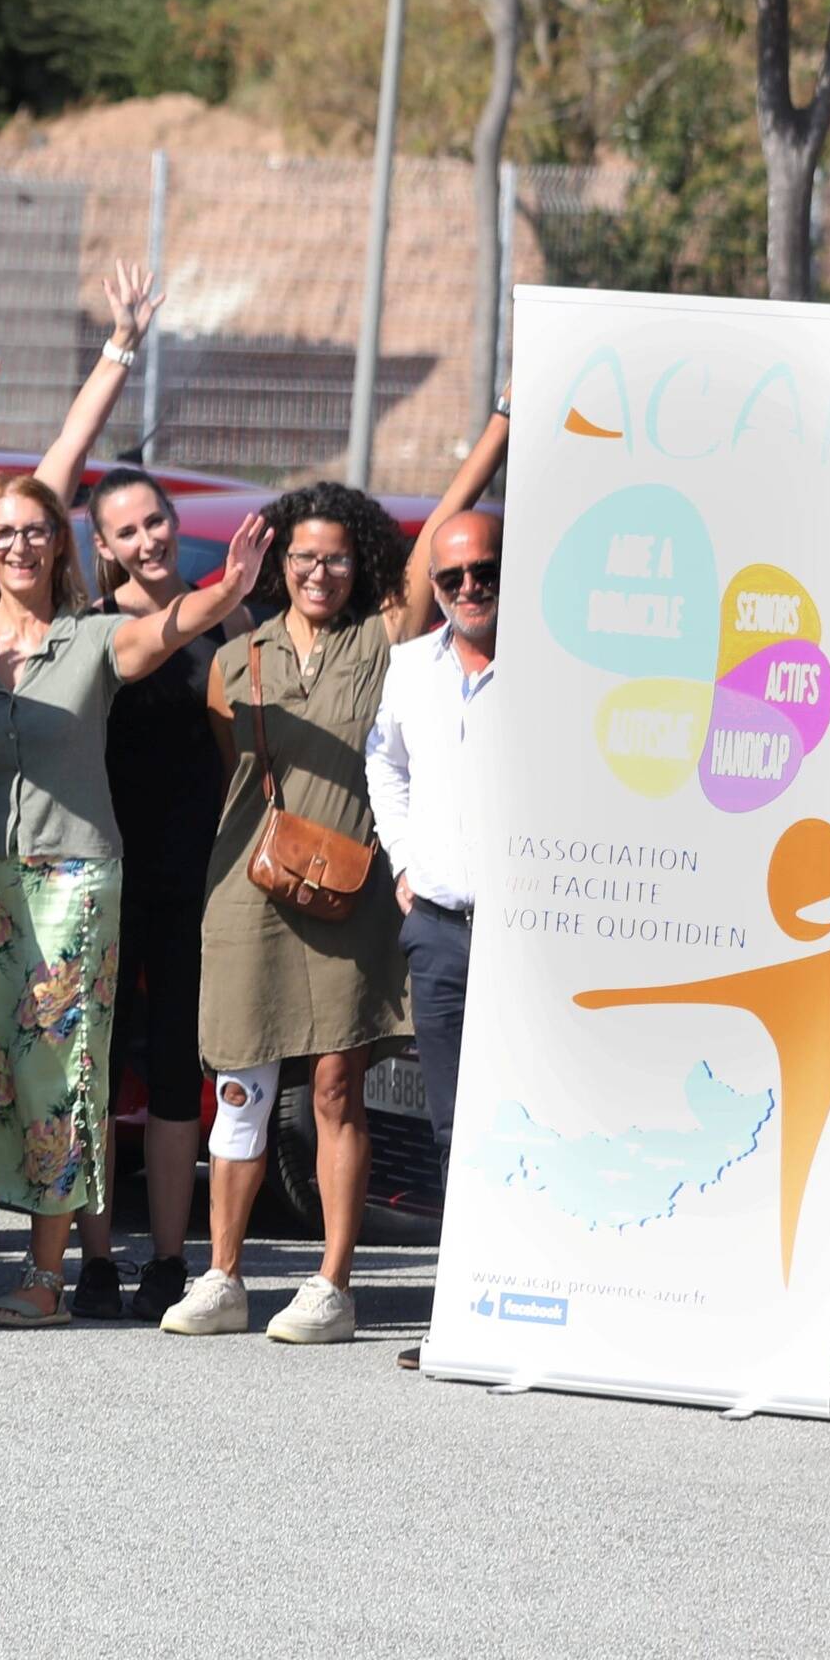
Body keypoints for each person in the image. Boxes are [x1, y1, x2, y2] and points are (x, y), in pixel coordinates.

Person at [165, 421, 510, 1345]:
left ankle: (330, 1284)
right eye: (305, 557)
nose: (322, 572)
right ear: (281, 564)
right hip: (248, 893)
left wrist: (499, 425)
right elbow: (230, 773)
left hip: (352, 888)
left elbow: (444, 530)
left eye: (339, 557)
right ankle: (224, 1275)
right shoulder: (236, 659)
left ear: (363, 565)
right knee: (241, 1085)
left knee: (334, 1089)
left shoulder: (385, 644)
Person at [0, 474, 262, 1324]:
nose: (21, 545)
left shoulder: (95, 636)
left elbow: (165, 628)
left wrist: (231, 591)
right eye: (5, 532)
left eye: (37, 531)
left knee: (56, 1076)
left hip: (76, 882)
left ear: (59, 546)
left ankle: (44, 1274)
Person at [83, 467, 222, 1321]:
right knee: (93, 1072)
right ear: (104, 547)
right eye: (127, 531)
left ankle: (169, 1258)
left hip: (195, 882)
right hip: (104, 878)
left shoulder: (229, 621)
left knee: (175, 1072)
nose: (147, 539)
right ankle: (96, 1260)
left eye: (155, 522)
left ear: (174, 522)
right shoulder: (95, 631)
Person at [365, 478, 507, 1178]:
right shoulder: (410, 666)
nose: (471, 586)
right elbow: (384, 766)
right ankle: (462, 1286)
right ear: (435, 584)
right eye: (452, 576)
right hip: (440, 930)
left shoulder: (554, 664)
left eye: (486, 570)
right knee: (453, 1127)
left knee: (527, 1119)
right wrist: (401, 865)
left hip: (531, 934)